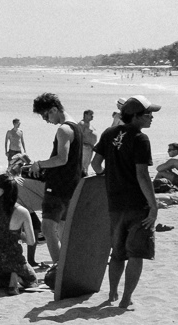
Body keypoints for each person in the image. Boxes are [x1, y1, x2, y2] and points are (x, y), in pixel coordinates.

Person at [90, 95, 160, 310]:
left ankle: (112, 293)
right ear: (137, 116)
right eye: (148, 114)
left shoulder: (109, 133)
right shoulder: (140, 139)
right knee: (136, 253)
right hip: (137, 205)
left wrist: (111, 178)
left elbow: (95, 164)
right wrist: (154, 205)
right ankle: (125, 299)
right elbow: (142, 175)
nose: (152, 118)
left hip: (115, 204)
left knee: (118, 253)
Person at [28, 93, 83, 288]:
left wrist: (39, 164)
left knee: (48, 228)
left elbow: (62, 159)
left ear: (53, 110)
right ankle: (66, 267)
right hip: (73, 185)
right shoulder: (76, 125)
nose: (46, 120)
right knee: (62, 228)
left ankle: (60, 269)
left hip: (58, 186)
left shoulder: (64, 129)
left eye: (45, 116)